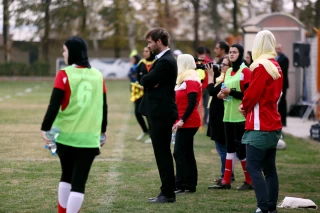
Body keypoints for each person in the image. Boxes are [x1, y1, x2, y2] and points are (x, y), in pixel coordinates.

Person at [40, 36, 108, 213]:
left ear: (73, 52)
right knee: (79, 183)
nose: (63, 54)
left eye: (64, 50)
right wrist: (103, 131)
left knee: (66, 175)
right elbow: (104, 107)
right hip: (89, 137)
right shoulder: (98, 76)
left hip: (66, 135)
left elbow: (54, 104)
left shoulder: (64, 74)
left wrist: (45, 128)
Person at [239, 30, 282, 213]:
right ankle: (271, 206)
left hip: (259, 124)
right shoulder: (275, 65)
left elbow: (253, 93)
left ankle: (263, 207)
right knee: (269, 169)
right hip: (272, 121)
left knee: (253, 166)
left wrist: (244, 105)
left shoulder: (261, 65)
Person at [138, 28, 178, 203]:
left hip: (161, 112)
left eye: (150, 42)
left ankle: (168, 193)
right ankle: (167, 191)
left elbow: (145, 80)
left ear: (159, 41)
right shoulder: (162, 60)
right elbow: (148, 81)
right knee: (162, 153)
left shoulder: (166, 61)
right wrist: (149, 81)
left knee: (163, 154)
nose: (149, 45)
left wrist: (148, 81)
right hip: (159, 111)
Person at [211, 44, 253, 190]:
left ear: (240, 54)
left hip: (240, 116)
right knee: (229, 149)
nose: (232, 54)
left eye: (235, 52)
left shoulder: (245, 71)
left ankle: (250, 181)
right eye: (230, 52)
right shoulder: (228, 71)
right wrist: (222, 95)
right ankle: (226, 181)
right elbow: (224, 91)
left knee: (241, 150)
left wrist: (230, 92)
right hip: (227, 116)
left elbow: (248, 95)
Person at [172, 54, 201, 194]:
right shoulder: (183, 80)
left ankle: (182, 184)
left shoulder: (191, 79)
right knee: (187, 153)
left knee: (179, 153)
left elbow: (192, 102)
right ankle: (189, 185)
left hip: (189, 122)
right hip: (183, 121)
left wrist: (182, 120)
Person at [206, 55, 235, 187]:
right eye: (221, 64)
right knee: (222, 148)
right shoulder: (222, 78)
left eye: (224, 65)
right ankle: (227, 174)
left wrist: (210, 76)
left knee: (222, 148)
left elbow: (211, 91)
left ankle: (226, 176)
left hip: (221, 118)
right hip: (217, 117)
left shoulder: (226, 80)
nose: (221, 66)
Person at [135, 47, 155, 143]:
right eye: (143, 51)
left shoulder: (156, 62)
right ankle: (145, 131)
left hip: (150, 92)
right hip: (140, 92)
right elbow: (137, 77)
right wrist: (138, 83)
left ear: (151, 52)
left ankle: (152, 135)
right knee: (137, 112)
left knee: (148, 114)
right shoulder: (141, 63)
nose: (144, 53)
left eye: (146, 51)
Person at [275, 44, 289, 127]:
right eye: (276, 48)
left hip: (283, 83)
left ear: (282, 49)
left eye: (279, 48)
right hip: (278, 83)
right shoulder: (276, 58)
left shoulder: (284, 59)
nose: (277, 50)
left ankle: (283, 120)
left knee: (282, 102)